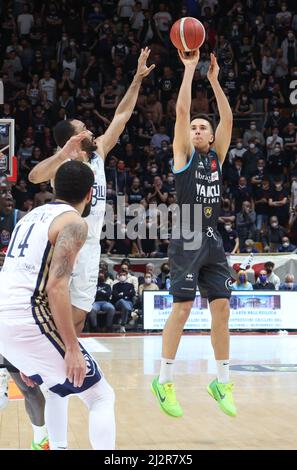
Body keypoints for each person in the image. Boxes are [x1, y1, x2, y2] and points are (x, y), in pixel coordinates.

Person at [12, 47, 154, 449]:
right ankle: (46, 390)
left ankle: (51, 401)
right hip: (64, 251)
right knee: (59, 342)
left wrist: (137, 79)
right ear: (72, 137)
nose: (90, 129)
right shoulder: (67, 163)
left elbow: (123, 115)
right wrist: (63, 151)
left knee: (67, 337)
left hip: (88, 255)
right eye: (82, 127)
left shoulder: (100, 152)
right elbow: (37, 175)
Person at [0, 161, 115, 450]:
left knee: (55, 388)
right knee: (101, 396)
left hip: (7, 322)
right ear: (90, 194)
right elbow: (56, 286)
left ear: (53, 187)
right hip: (27, 319)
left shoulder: (28, 217)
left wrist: (27, 354)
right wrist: (72, 348)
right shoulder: (75, 223)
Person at [151, 50, 236, 418]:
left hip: (213, 239)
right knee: (183, 309)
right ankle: (164, 380)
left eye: (205, 127)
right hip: (187, 236)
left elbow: (229, 117)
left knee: (222, 310)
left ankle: (222, 380)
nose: (198, 130)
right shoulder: (183, 153)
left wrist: (215, 80)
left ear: (212, 135)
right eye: (195, 127)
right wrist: (189, 71)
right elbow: (182, 114)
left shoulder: (217, 155)